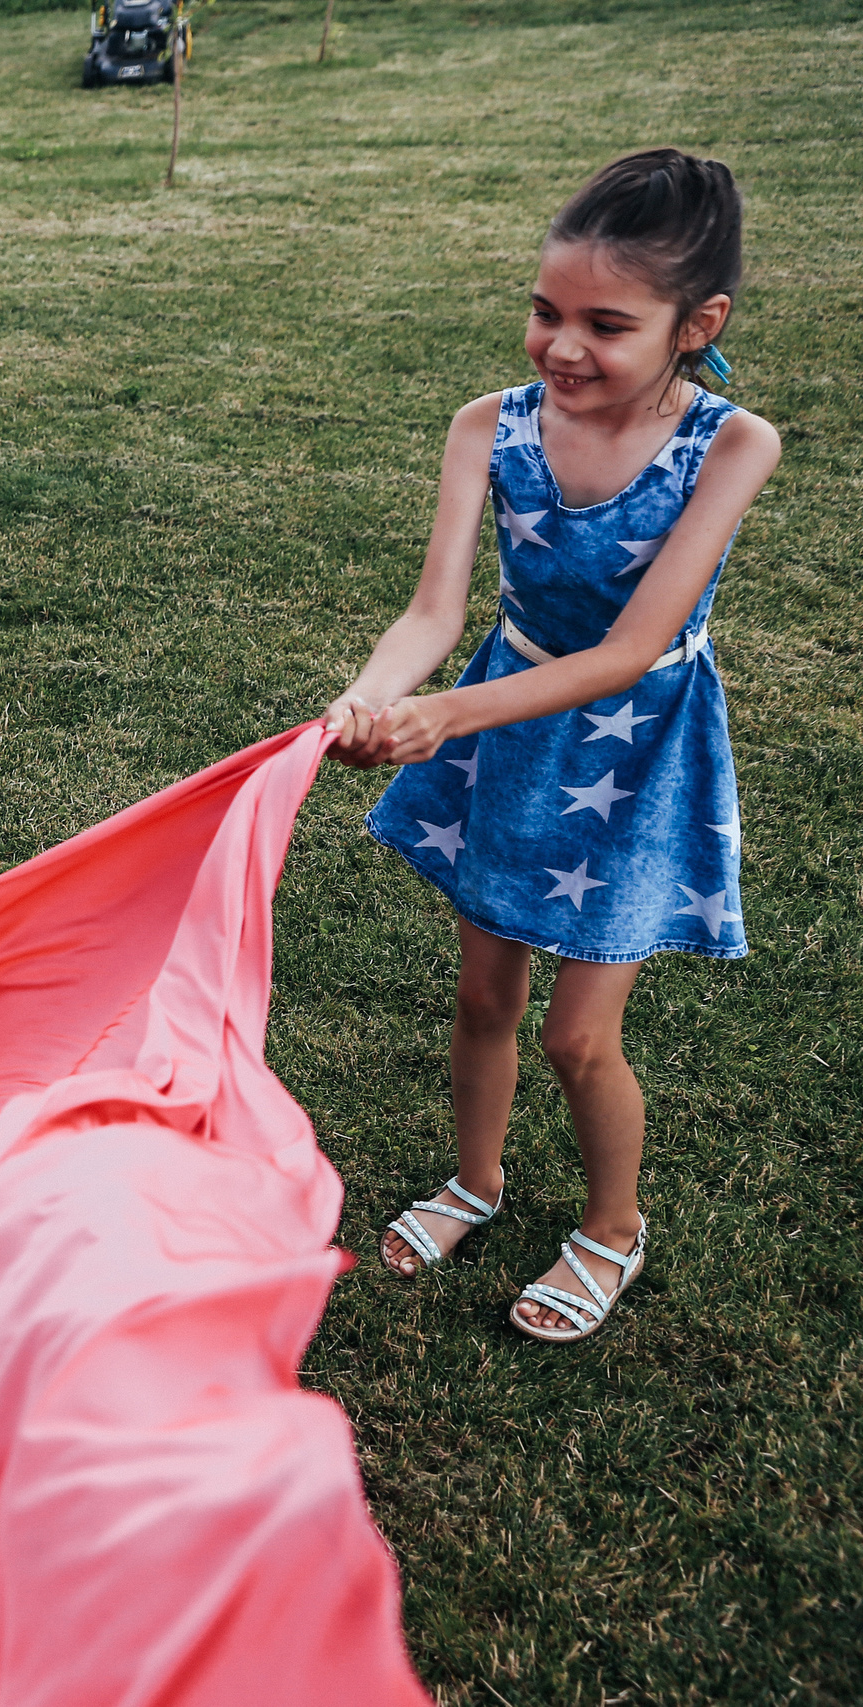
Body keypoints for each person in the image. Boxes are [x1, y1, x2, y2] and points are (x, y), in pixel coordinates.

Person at [322, 150, 780, 1343]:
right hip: (509, 735)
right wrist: (369, 697)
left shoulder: (732, 446)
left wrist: (444, 717)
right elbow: (432, 613)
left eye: (606, 325)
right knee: (483, 992)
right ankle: (476, 1181)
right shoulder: (488, 427)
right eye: (544, 312)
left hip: (638, 751)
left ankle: (612, 1228)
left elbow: (630, 651)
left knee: (579, 1036)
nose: (561, 347)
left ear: (697, 325)